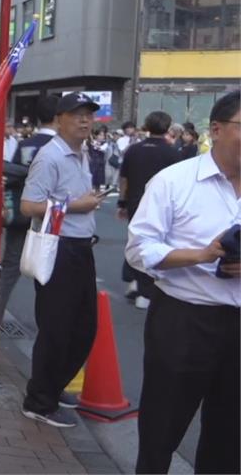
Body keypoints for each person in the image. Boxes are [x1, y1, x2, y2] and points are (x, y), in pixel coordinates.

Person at [126, 90, 240, 474]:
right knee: (162, 430)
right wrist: (202, 255)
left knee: (230, 438)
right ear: (217, 129)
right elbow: (139, 249)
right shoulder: (175, 181)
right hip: (183, 320)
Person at [20, 92, 105, 428]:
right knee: (56, 328)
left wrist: (85, 203)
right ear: (59, 119)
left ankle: (52, 388)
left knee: (83, 328)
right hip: (59, 248)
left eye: (89, 114)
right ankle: (38, 400)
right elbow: (29, 206)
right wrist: (74, 206)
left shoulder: (81, 153)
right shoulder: (49, 156)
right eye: (77, 114)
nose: (85, 120)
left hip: (81, 247)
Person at [0, 95, 59, 320]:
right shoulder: (60, 147)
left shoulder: (25, 144)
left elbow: (11, 178)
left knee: (10, 268)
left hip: (21, 215)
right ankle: (48, 326)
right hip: (51, 220)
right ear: (59, 117)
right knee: (48, 273)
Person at [117, 111, 180, 310]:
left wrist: (122, 202)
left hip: (136, 202)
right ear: (168, 127)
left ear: (146, 126)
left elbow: (124, 178)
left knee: (137, 241)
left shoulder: (133, 150)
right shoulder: (172, 153)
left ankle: (137, 281)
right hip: (164, 206)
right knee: (158, 244)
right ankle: (145, 289)